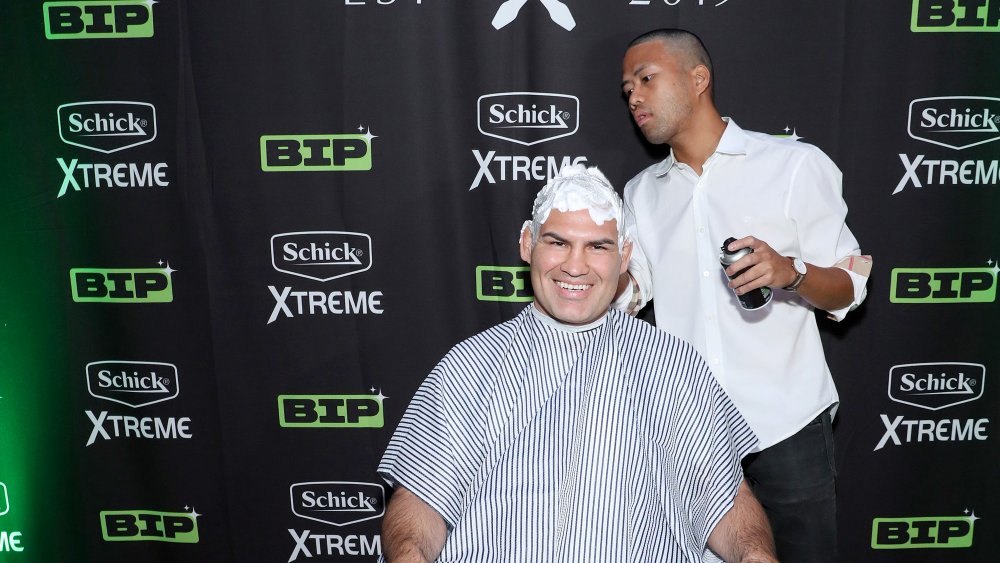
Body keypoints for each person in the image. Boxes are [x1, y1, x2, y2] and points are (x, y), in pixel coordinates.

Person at [377, 165, 777, 563]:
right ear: (526, 244)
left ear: (625, 257)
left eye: (598, 247)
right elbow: (419, 503)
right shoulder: (470, 368)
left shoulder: (672, 366)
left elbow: (725, 500)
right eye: (558, 243)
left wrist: (756, 554)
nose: (575, 266)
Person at [616, 28, 873, 563]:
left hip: (788, 426)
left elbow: (850, 286)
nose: (634, 97)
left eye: (646, 79)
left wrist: (791, 272)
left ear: (699, 78)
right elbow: (627, 296)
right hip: (692, 435)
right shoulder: (641, 193)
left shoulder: (794, 165)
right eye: (626, 90)